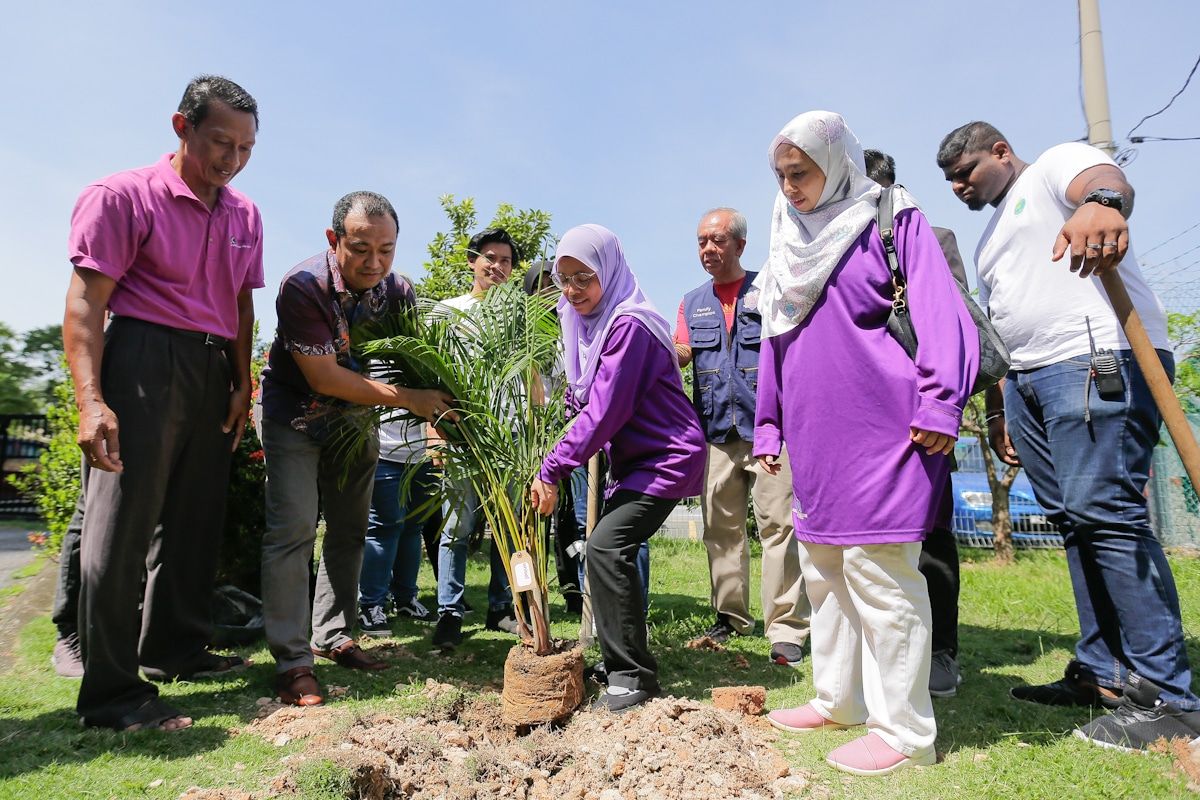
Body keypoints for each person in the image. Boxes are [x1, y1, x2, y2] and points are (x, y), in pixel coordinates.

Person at [937, 121, 1200, 751]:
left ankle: (1168, 698)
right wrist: (1000, 410)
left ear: (1001, 151)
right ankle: (1104, 673)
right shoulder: (990, 237)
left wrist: (1101, 204)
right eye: (949, 181)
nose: (957, 187)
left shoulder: (1055, 167)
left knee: (1105, 516)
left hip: (1094, 359)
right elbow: (1002, 327)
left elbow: (1105, 181)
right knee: (1074, 521)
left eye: (967, 173)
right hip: (1029, 381)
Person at [758, 111, 978, 775]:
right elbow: (775, 333)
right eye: (780, 175)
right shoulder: (787, 237)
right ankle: (839, 698)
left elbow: (943, 309)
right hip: (814, 431)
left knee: (881, 572)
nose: (790, 186)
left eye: (801, 172)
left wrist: (942, 401)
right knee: (824, 568)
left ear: (836, 159)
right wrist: (768, 421)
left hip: (888, 424)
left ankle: (906, 732)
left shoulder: (889, 214)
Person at [64, 75, 263, 731]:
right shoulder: (121, 197)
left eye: (245, 148)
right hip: (144, 359)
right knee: (120, 528)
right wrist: (91, 401)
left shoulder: (245, 214)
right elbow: (86, 303)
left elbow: (240, 303)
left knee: (194, 520)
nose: (230, 160)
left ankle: (175, 649)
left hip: (214, 367)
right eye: (218, 142)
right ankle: (112, 694)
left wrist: (243, 383)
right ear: (181, 127)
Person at [259, 191, 455, 707]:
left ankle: (334, 636)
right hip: (293, 420)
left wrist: (452, 409)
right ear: (334, 240)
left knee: (350, 530)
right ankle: (292, 661)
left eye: (386, 250)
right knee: (294, 530)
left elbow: (417, 364)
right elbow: (323, 376)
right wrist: (412, 399)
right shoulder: (302, 287)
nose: (375, 263)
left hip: (355, 424)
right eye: (361, 248)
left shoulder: (399, 293)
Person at [530, 224, 705, 713]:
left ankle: (633, 674)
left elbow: (603, 411)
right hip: (633, 463)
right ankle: (616, 660)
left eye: (583, 277)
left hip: (666, 458)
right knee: (606, 550)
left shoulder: (629, 326)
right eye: (564, 279)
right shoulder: (588, 325)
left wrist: (552, 468)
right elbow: (581, 396)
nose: (572, 291)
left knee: (607, 547)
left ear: (609, 270)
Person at [673, 207, 810, 667]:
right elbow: (683, 352)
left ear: (739, 245)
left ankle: (786, 627)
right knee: (722, 531)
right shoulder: (692, 302)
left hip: (770, 430)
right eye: (700, 241)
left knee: (779, 528)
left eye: (716, 240)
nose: (707, 249)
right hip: (715, 432)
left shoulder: (769, 287)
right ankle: (729, 617)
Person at [863, 148, 967, 697]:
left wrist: (942, 406)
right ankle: (884, 652)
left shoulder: (928, 236)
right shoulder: (825, 250)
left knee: (930, 533)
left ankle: (941, 652)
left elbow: (954, 325)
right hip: (862, 416)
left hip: (919, 413)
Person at [430, 229, 522, 651]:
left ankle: (504, 608)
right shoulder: (449, 312)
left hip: (509, 439)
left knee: (512, 528)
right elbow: (431, 377)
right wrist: (436, 434)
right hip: (463, 437)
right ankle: (449, 610)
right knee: (456, 527)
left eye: (505, 260)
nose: (497, 266)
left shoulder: (523, 317)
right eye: (489, 257)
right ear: (472, 261)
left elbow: (534, 379)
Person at [356, 414, 439, 637]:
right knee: (384, 528)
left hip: (422, 457)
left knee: (413, 528)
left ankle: (405, 599)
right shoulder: (371, 375)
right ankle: (372, 605)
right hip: (383, 454)